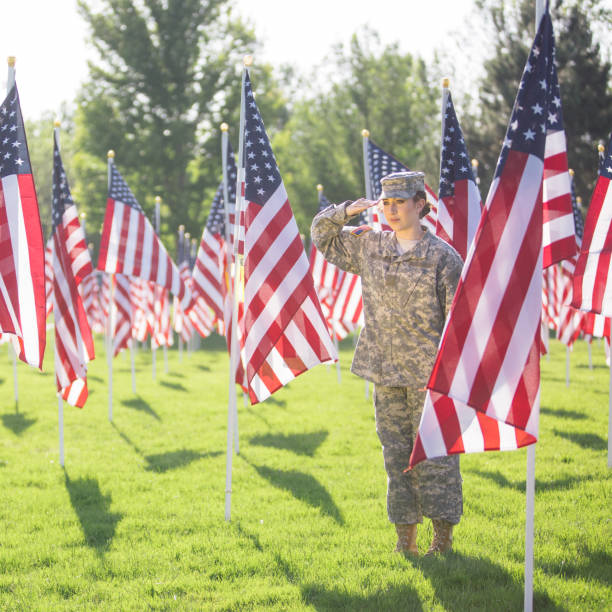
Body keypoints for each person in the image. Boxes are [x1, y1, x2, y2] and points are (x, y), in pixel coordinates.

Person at [311, 171, 463, 556]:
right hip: (384, 371)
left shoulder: (443, 257)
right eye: (387, 203)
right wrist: (347, 210)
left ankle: (442, 539)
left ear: (420, 204)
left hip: (429, 376)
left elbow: (458, 322)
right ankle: (405, 540)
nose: (393, 210)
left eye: (401, 202)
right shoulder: (370, 247)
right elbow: (321, 236)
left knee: (436, 456)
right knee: (396, 458)